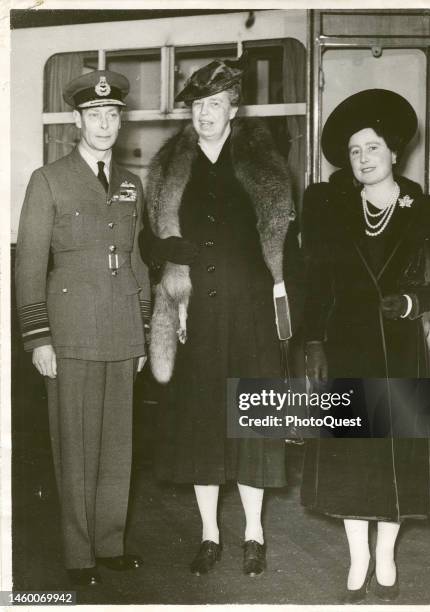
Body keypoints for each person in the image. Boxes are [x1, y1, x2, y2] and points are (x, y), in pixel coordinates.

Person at [300, 89, 430, 602]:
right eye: (354, 151)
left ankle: (387, 556)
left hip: (401, 346)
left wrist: (415, 304)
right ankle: (358, 561)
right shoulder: (329, 207)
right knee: (351, 456)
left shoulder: (428, 209)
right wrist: (312, 340)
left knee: (396, 456)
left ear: (394, 153)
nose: (364, 158)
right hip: (345, 344)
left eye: (372, 148)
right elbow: (313, 278)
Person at [140, 55, 302, 576]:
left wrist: (283, 298)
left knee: (252, 418)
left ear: (234, 106)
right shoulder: (166, 168)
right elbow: (147, 241)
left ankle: (254, 532)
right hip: (194, 314)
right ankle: (210, 533)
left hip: (252, 307)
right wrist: (165, 254)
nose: (205, 114)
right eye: (197, 106)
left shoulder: (261, 162)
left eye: (214, 104)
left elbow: (283, 238)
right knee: (200, 422)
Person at [15, 70, 151, 586]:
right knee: (75, 445)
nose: (104, 123)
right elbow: (30, 265)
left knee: (118, 447)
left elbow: (137, 259)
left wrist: (141, 331)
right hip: (69, 333)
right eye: (94, 115)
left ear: (120, 120)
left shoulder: (130, 183)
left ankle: (109, 542)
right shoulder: (48, 179)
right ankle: (78, 552)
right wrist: (37, 338)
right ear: (77, 121)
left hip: (120, 332)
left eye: (112, 115)